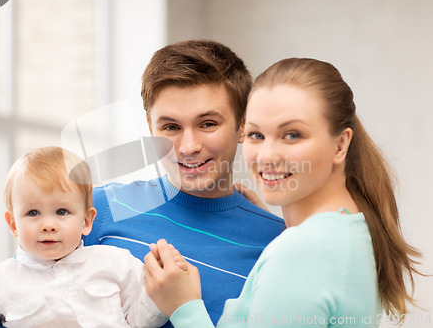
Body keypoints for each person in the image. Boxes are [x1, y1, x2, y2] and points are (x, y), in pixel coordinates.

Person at [144, 58, 422, 327]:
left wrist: (185, 308)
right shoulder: (353, 228)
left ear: (340, 145)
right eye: (256, 135)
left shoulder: (301, 252)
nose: (267, 156)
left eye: (292, 135)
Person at [83, 40, 285, 327]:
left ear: (243, 124)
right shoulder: (93, 210)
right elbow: (18, 305)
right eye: (171, 127)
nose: (189, 147)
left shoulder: (278, 244)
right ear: (150, 127)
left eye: (208, 124)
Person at [0, 146, 167, 328]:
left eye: (62, 212)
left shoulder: (117, 262)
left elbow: (141, 320)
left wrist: (163, 292)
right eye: (33, 213)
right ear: (13, 224)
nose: (48, 225)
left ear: (86, 221)